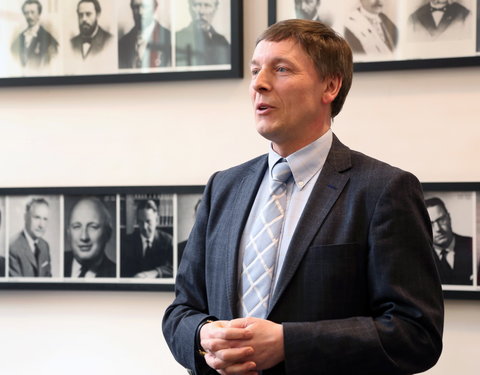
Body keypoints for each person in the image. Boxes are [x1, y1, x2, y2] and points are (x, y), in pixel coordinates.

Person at [163, 19, 443, 375]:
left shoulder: (383, 190)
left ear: (330, 86)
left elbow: (416, 334)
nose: (259, 84)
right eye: (254, 70)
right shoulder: (223, 187)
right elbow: (181, 311)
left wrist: (288, 343)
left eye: (280, 69)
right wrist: (202, 336)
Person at [425, 197, 473, 285]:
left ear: (449, 218)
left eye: (441, 220)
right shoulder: (419, 256)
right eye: (430, 224)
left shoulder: (473, 246)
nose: (438, 229)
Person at [64, 197, 116, 278]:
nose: (84, 237)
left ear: (108, 234)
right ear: (68, 233)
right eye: (77, 226)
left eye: (93, 227)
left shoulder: (115, 274)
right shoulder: (56, 263)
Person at [121, 199, 173, 278]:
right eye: (140, 222)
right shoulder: (126, 242)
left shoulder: (168, 241)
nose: (144, 227)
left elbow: (174, 268)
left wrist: (156, 272)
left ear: (157, 220)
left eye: (148, 221)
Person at [118, 0, 171, 69]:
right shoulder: (122, 43)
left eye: (145, 7)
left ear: (154, 8)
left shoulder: (168, 39)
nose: (140, 12)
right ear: (131, 9)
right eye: (136, 7)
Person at [176, 0, 230, 66]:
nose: (201, 11)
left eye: (207, 5)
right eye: (197, 5)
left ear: (215, 9)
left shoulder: (222, 42)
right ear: (190, 8)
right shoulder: (178, 38)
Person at [9, 198, 52, 277]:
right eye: (37, 217)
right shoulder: (13, 247)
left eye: (45, 219)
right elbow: (16, 287)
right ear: (25, 217)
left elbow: (48, 278)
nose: (41, 225)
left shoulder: (45, 245)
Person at [11, 0, 58, 68]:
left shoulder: (49, 39)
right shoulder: (20, 37)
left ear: (39, 14)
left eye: (32, 12)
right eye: (26, 13)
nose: (29, 16)